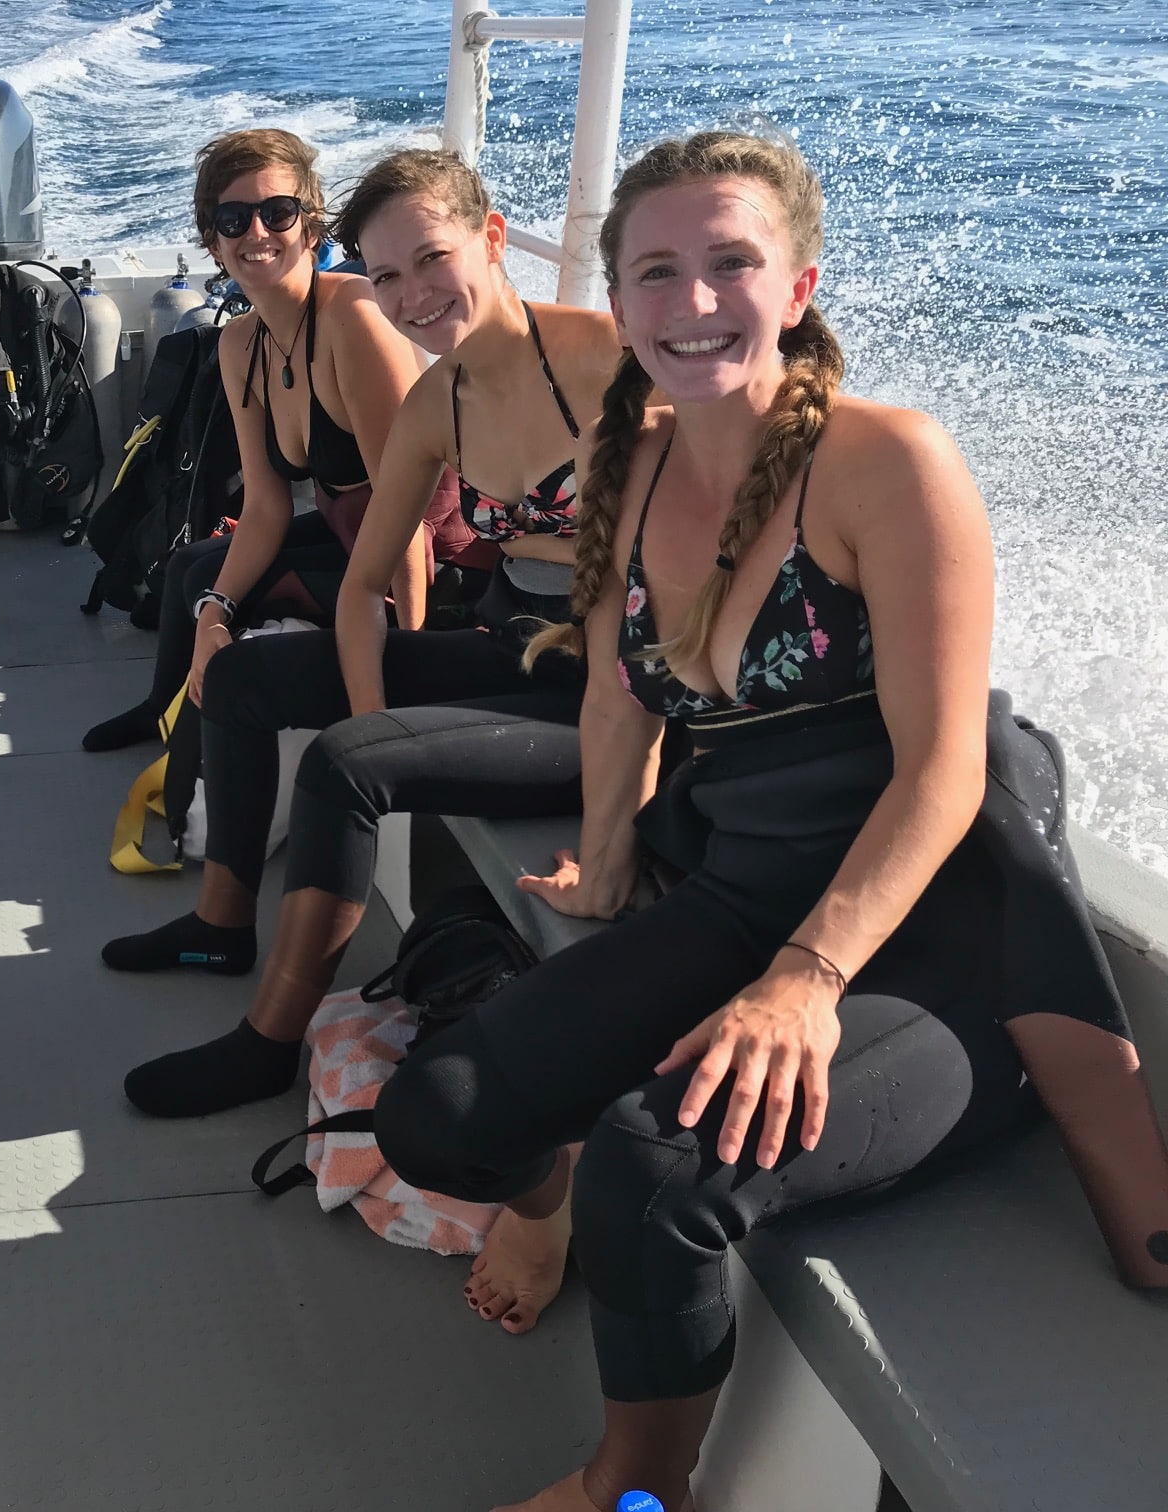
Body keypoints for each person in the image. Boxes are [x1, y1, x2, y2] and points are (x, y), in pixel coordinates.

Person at [358, 131, 1168, 1511]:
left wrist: (806, 981)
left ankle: (640, 1484)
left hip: (928, 943)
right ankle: (540, 1208)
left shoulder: (884, 464)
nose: (692, 301)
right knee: (439, 1118)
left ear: (797, 282)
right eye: (655, 270)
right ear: (616, 299)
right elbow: (624, 701)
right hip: (741, 894)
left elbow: (942, 774)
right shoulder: (631, 469)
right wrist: (608, 866)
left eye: (730, 261)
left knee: (655, 1171)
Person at [112, 151, 623, 1121]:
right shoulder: (442, 400)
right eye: (387, 275)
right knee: (252, 682)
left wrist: (611, 828)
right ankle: (221, 928)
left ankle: (267, 1045)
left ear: (495, 237)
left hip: (611, 698)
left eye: (431, 259)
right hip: (511, 642)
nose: (410, 294)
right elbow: (360, 596)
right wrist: (375, 714)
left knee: (347, 765)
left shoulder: (608, 362)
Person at [81, 129, 466, 756]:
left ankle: (201, 744)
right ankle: (160, 710)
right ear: (213, 240)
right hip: (354, 534)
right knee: (191, 570)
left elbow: (410, 518)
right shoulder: (241, 344)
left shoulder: (354, 318)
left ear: (310, 226)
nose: (256, 233)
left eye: (278, 212)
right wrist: (213, 612)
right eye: (233, 218)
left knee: (239, 594)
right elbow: (266, 504)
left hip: (427, 560)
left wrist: (408, 657)